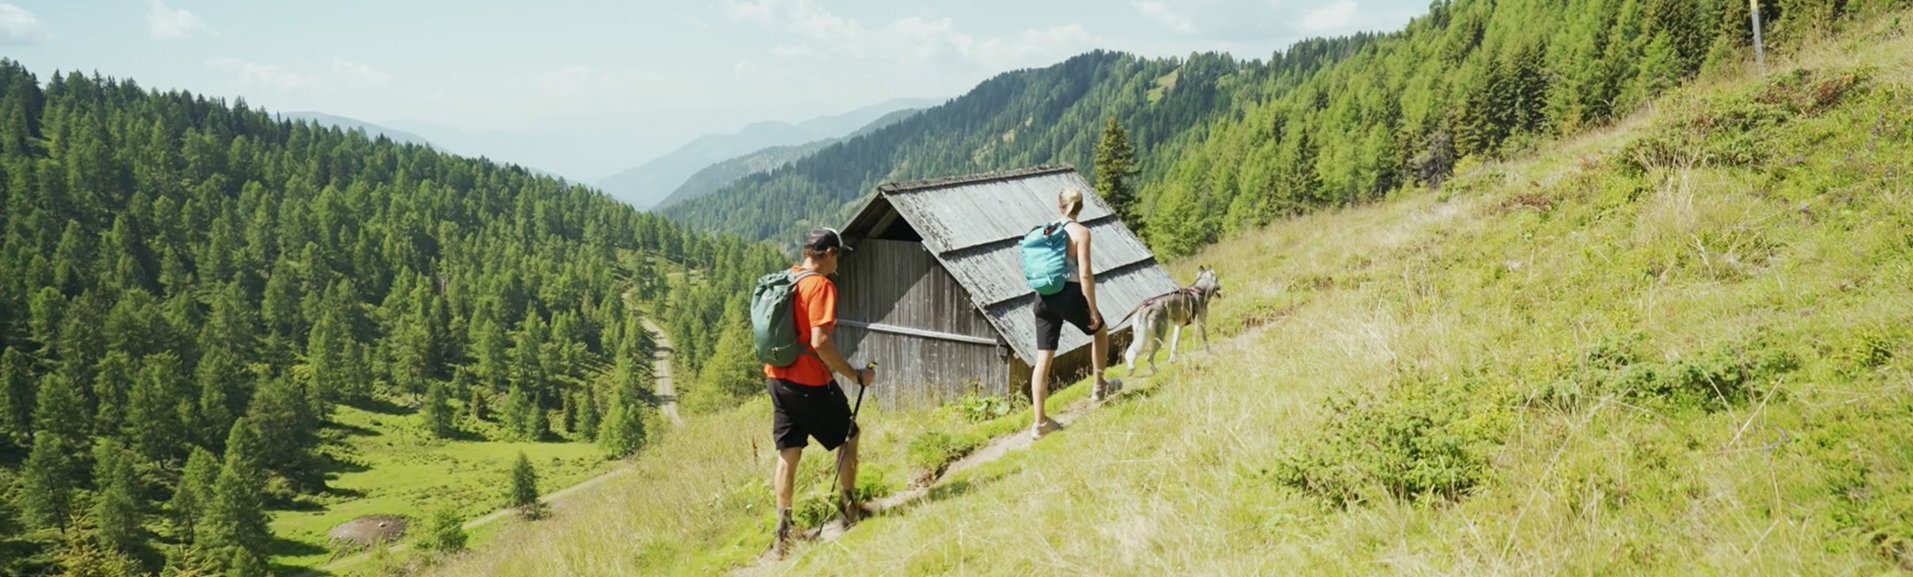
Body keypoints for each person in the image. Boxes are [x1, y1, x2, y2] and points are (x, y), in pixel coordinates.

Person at [766, 228, 877, 556]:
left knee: (789, 453)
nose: (838, 263)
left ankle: (782, 534)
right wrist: (855, 374)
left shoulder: (789, 279)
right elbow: (820, 341)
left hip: (776, 379)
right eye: (838, 256)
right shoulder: (821, 286)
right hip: (809, 383)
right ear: (828, 253)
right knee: (849, 436)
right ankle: (849, 510)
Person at [1029, 188, 1116, 440]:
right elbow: (1086, 274)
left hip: (1042, 296)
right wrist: (1092, 308)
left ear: (1060, 205)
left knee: (1043, 357)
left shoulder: (1045, 230)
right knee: (1100, 332)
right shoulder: (1081, 233)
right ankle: (1099, 387)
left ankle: (1040, 423)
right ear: (1081, 207)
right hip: (1069, 295)